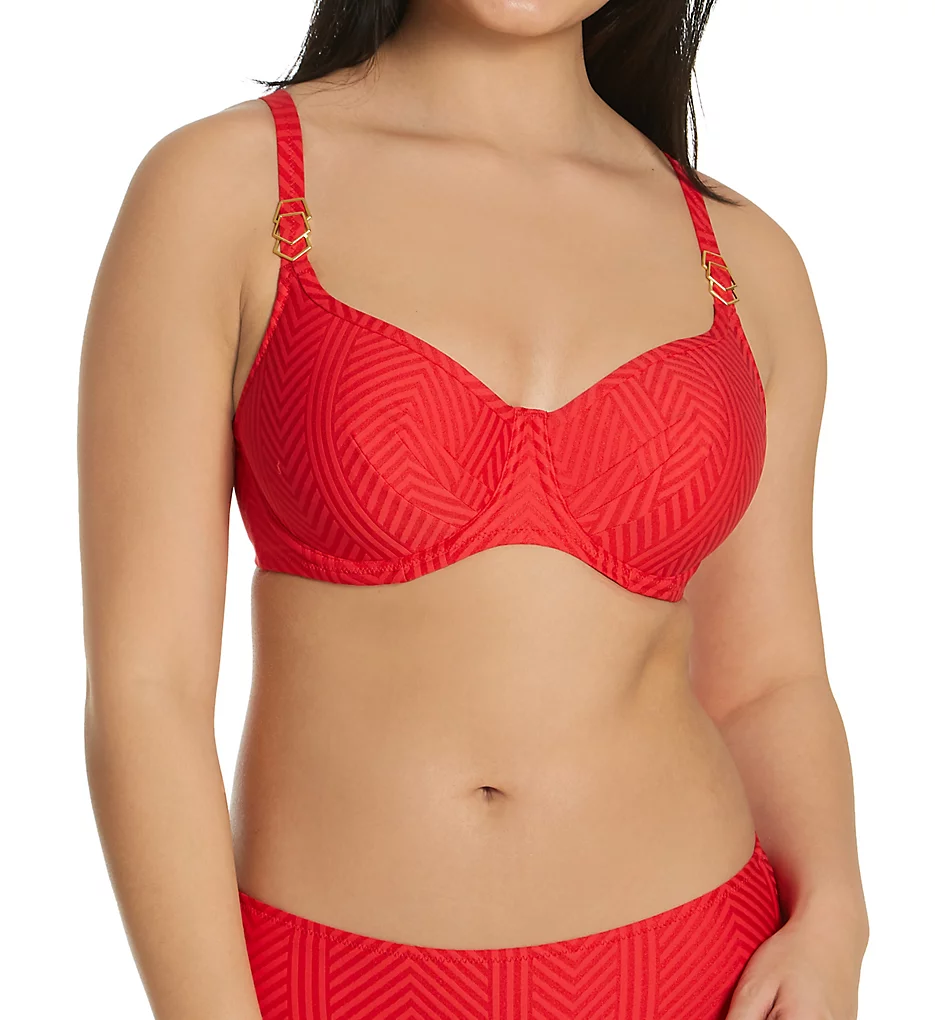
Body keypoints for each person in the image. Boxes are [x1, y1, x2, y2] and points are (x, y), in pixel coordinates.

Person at [78, 2, 870, 1018]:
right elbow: (146, 687)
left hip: (700, 966)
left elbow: (768, 679)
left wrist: (834, 915)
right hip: (323, 981)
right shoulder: (224, 189)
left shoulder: (746, 259)